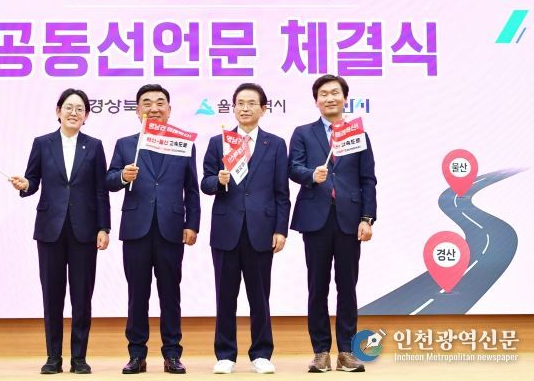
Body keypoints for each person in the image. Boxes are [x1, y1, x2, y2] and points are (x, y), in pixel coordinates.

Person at [10, 88, 110, 374]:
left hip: (85, 231)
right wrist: (25, 185)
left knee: (82, 296)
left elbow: (100, 191)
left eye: (80, 109)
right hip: (50, 230)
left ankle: (79, 357)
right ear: (58, 111)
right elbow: (32, 180)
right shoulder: (42, 143)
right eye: (69, 107)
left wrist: (103, 227)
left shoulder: (94, 146)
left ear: (86, 115)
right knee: (52, 296)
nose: (73, 113)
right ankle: (53, 357)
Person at [106, 84, 201, 375]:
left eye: (160, 103)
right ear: (138, 111)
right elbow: (109, 180)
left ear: (169, 110)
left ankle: (172, 354)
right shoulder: (125, 144)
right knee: (137, 294)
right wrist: (123, 176)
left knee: (170, 293)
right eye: (146, 103)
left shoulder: (183, 144)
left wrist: (192, 224)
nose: (154, 108)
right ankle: (137, 354)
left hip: (171, 228)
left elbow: (192, 189)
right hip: (136, 228)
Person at [288, 74, 377, 372]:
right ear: (316, 101)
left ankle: (347, 352)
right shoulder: (303, 133)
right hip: (316, 219)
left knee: (347, 287)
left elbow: (368, 179)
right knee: (317, 287)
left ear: (345, 98)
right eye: (323, 94)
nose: (329, 98)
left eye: (335, 93)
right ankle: (321, 352)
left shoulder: (358, 135)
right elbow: (293, 168)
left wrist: (367, 218)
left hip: (350, 220)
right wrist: (311, 175)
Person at [200, 83, 290, 374]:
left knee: (259, 297)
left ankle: (261, 353)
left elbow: (281, 192)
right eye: (240, 103)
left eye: (252, 103)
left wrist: (281, 229)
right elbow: (205, 183)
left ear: (263, 109)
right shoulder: (219, 142)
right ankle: (225, 354)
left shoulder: (275, 144)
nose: (245, 108)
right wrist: (218, 180)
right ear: (233, 108)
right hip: (226, 230)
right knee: (225, 296)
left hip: (261, 230)